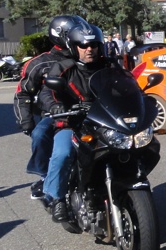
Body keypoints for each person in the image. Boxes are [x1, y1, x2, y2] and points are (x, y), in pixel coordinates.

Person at [37, 18, 109, 222]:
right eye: (83, 45)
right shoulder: (63, 68)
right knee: (63, 153)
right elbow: (46, 93)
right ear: (74, 47)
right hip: (72, 123)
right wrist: (55, 106)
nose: (89, 49)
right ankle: (56, 198)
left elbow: (127, 85)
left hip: (104, 123)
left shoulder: (109, 66)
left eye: (93, 45)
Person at [13, 15, 79, 202]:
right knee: (40, 134)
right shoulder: (39, 63)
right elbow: (22, 93)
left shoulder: (84, 57)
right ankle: (44, 176)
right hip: (54, 113)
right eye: (73, 33)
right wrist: (26, 122)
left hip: (88, 111)